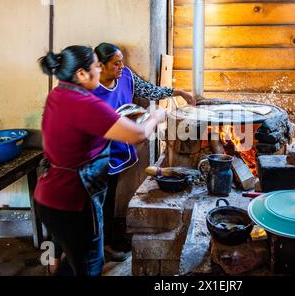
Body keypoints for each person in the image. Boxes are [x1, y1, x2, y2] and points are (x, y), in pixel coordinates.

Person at [34, 45, 166, 276]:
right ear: (82, 74)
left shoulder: (59, 93)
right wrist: (155, 116)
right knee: (90, 266)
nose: (99, 69)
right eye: (96, 65)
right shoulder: (86, 104)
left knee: (75, 259)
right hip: (75, 202)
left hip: (48, 197)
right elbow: (137, 134)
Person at [91, 43, 195, 261]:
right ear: (100, 66)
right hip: (95, 152)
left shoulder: (126, 76)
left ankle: (106, 244)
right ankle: (88, 250)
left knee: (108, 199)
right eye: (116, 63)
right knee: (93, 205)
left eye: (122, 61)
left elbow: (150, 91)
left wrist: (179, 92)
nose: (122, 66)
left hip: (117, 149)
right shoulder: (90, 88)